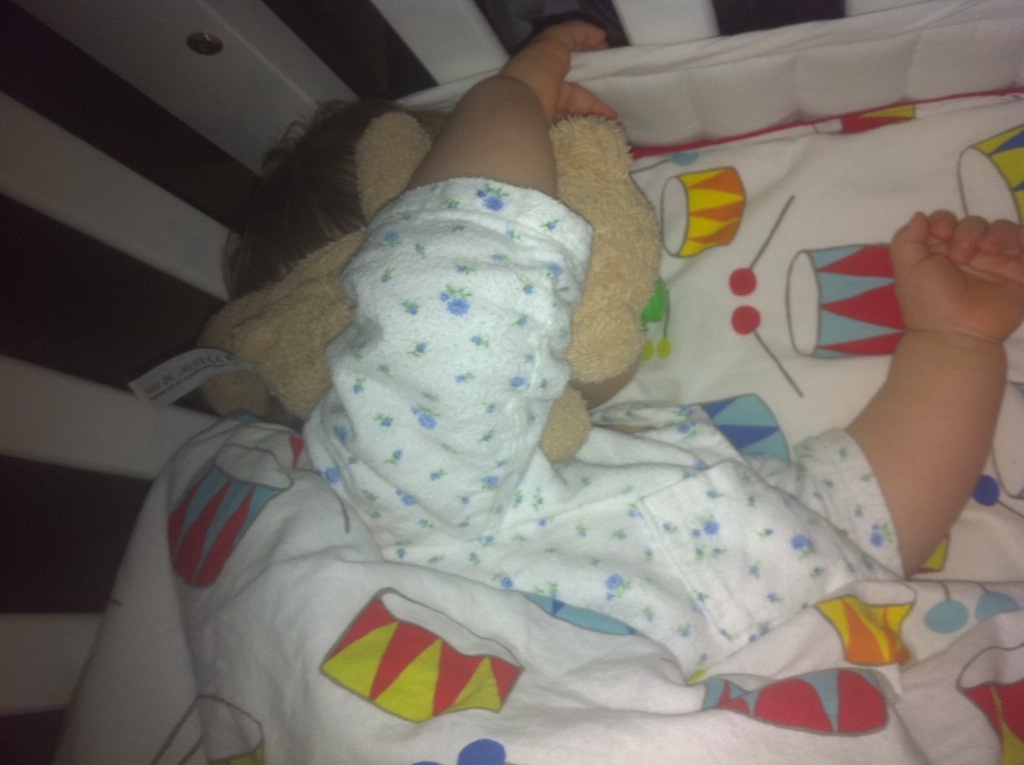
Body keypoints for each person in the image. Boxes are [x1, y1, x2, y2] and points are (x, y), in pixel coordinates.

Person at [252, 21, 1024, 673]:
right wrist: (509, 97)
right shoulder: (396, 476)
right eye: (537, 211)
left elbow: (850, 530)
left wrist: (955, 343)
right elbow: (455, 291)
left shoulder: (601, 482)